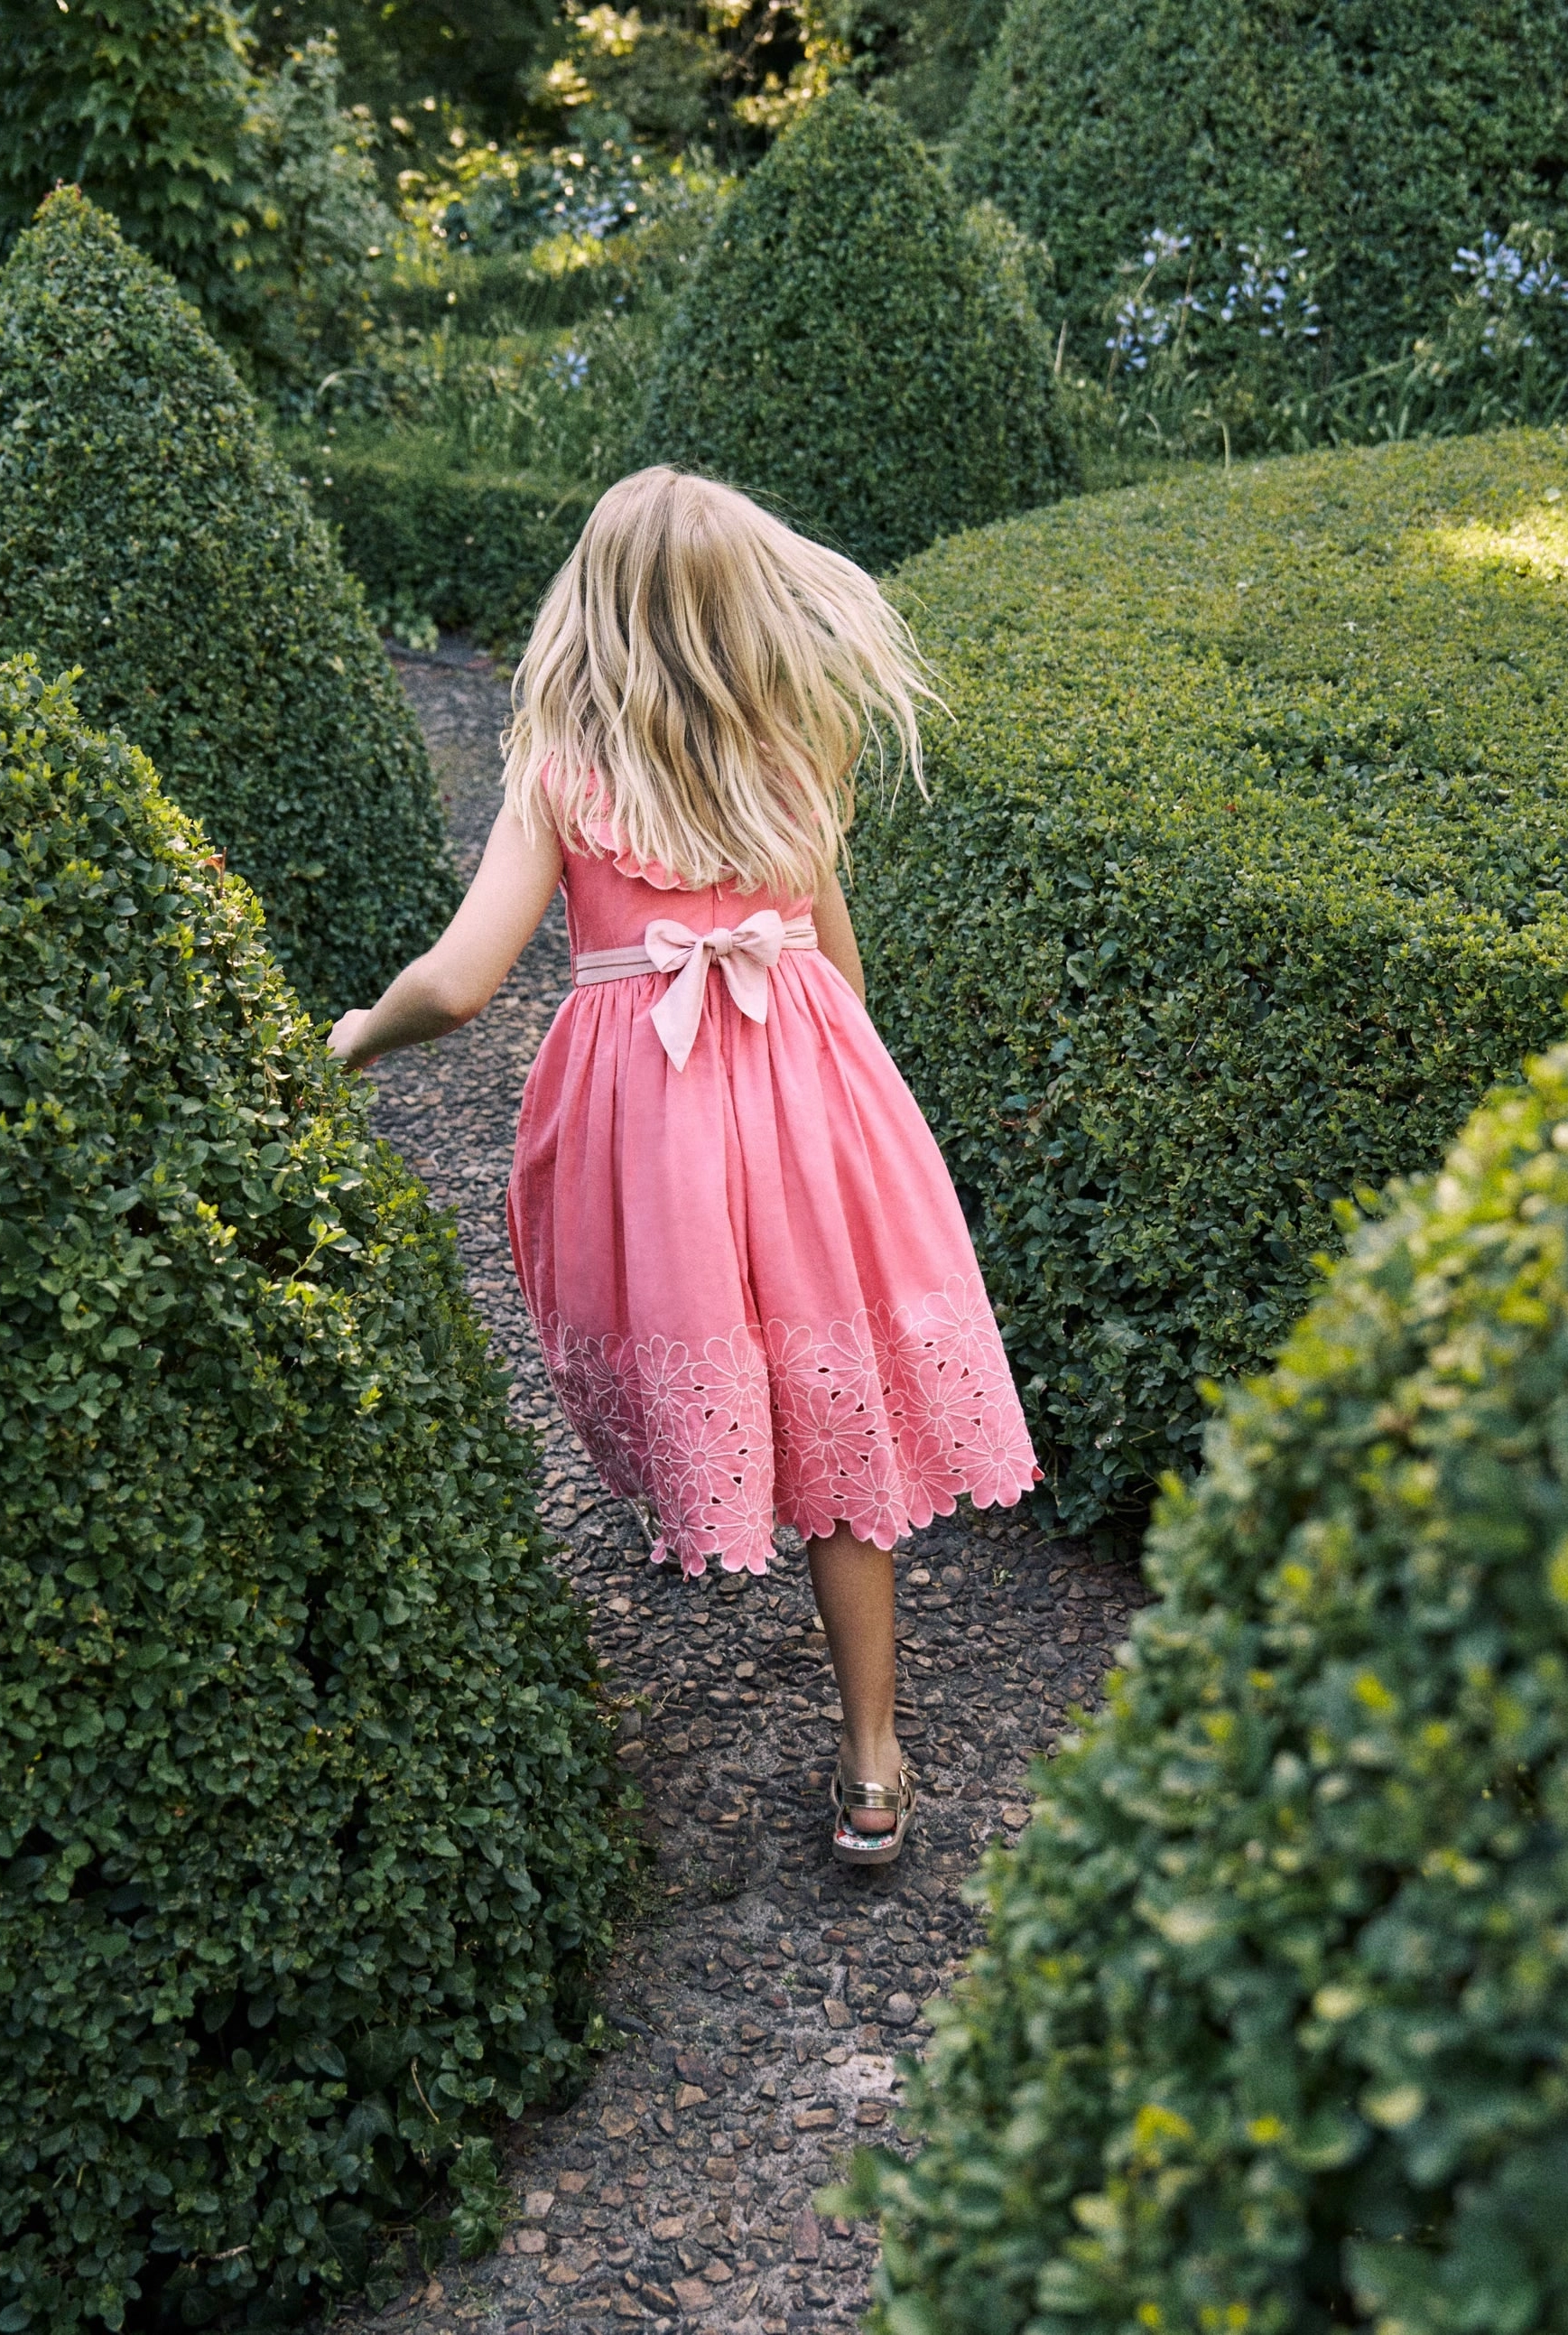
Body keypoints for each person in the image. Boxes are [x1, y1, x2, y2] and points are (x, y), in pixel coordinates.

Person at [329, 466, 1040, 1866]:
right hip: (811, 1087)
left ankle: (703, 1498)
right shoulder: (802, 743)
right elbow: (837, 962)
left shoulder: (562, 769)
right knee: (832, 1413)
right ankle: (875, 1757)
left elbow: (463, 984)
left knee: (690, 1328)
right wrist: (852, 1101)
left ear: (593, 614)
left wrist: (355, 1035)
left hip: (655, 1118)